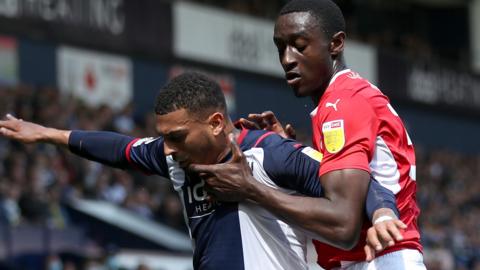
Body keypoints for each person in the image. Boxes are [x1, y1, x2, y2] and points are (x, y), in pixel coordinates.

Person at [0, 72, 401, 270]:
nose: (167, 148)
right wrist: (49, 134)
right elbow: (119, 149)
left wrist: (383, 211)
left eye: (176, 136)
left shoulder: (269, 152)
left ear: (214, 123)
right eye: (164, 138)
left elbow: (348, 176)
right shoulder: (176, 158)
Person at [190, 1, 426, 269]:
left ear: (335, 44)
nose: (287, 59)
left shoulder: (342, 104)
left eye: (300, 46)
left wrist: (250, 189)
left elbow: (343, 224)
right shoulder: (347, 97)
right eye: (281, 48)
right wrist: (291, 150)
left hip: (379, 260)